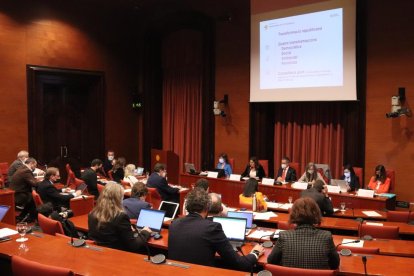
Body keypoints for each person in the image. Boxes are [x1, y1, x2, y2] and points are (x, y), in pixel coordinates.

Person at [168, 188, 264, 270]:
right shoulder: (212, 228)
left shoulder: (174, 224)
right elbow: (239, 263)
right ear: (207, 207)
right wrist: (255, 253)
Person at [267, 197, 339, 269]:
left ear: (293, 214)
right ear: (316, 214)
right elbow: (335, 264)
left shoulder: (284, 236)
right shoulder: (326, 236)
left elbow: (271, 261)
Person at [88, 182, 151, 253]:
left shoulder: (92, 214)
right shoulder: (120, 217)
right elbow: (134, 245)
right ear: (118, 199)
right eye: (122, 197)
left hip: (98, 253)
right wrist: (145, 232)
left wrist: (128, 230)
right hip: (118, 255)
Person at [9, 157, 38, 222]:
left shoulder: (22, 168)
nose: (35, 167)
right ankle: (31, 218)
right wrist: (41, 182)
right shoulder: (26, 171)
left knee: (31, 198)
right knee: (33, 198)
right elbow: (34, 184)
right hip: (18, 195)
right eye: (35, 165)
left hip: (16, 192)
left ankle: (22, 217)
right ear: (31, 163)